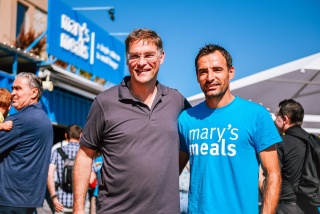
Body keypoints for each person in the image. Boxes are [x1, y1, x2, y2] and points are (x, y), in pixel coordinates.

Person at [73, 28, 191, 214]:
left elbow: (190, 143)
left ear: (162, 57)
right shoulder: (105, 103)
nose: (142, 63)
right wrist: (78, 210)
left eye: (149, 55)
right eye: (135, 56)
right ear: (127, 60)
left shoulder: (177, 101)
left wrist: (167, 175)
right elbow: (85, 155)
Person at [178, 44, 282, 214]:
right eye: (203, 71)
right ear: (197, 76)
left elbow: (273, 173)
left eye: (217, 69)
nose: (210, 77)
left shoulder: (256, 115)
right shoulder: (186, 119)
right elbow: (172, 171)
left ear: (230, 72)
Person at [0, 72, 53, 213]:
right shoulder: (44, 119)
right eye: (13, 88)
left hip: (8, 200)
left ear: (34, 93)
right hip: (27, 200)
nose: (12, 93)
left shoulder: (19, 121)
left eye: (18, 89)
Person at [273, 99, 319, 214]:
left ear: (285, 119)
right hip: (312, 208)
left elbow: (272, 178)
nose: (274, 120)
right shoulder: (314, 141)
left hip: (286, 207)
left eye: (277, 116)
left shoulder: (281, 143)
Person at [47, 124, 95, 213]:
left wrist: (54, 198)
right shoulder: (86, 153)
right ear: (81, 136)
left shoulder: (57, 152)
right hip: (81, 204)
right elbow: (92, 180)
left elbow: (49, 175)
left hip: (61, 203)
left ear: (66, 135)